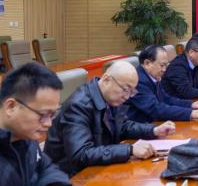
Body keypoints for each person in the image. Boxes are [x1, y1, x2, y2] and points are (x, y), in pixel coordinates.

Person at [44, 60, 176, 175]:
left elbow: (123, 126)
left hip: (98, 167)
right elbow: (81, 154)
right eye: (125, 89)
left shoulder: (110, 98)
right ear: (107, 79)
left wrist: (153, 130)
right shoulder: (78, 106)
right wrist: (129, 150)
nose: (127, 96)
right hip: (71, 177)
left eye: (131, 92)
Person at [127, 45, 198, 123]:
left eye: (166, 65)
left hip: (155, 123)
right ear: (147, 63)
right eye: (162, 65)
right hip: (141, 128)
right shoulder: (138, 81)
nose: (164, 70)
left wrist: (191, 104)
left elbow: (166, 99)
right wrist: (190, 113)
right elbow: (156, 109)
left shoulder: (153, 75)